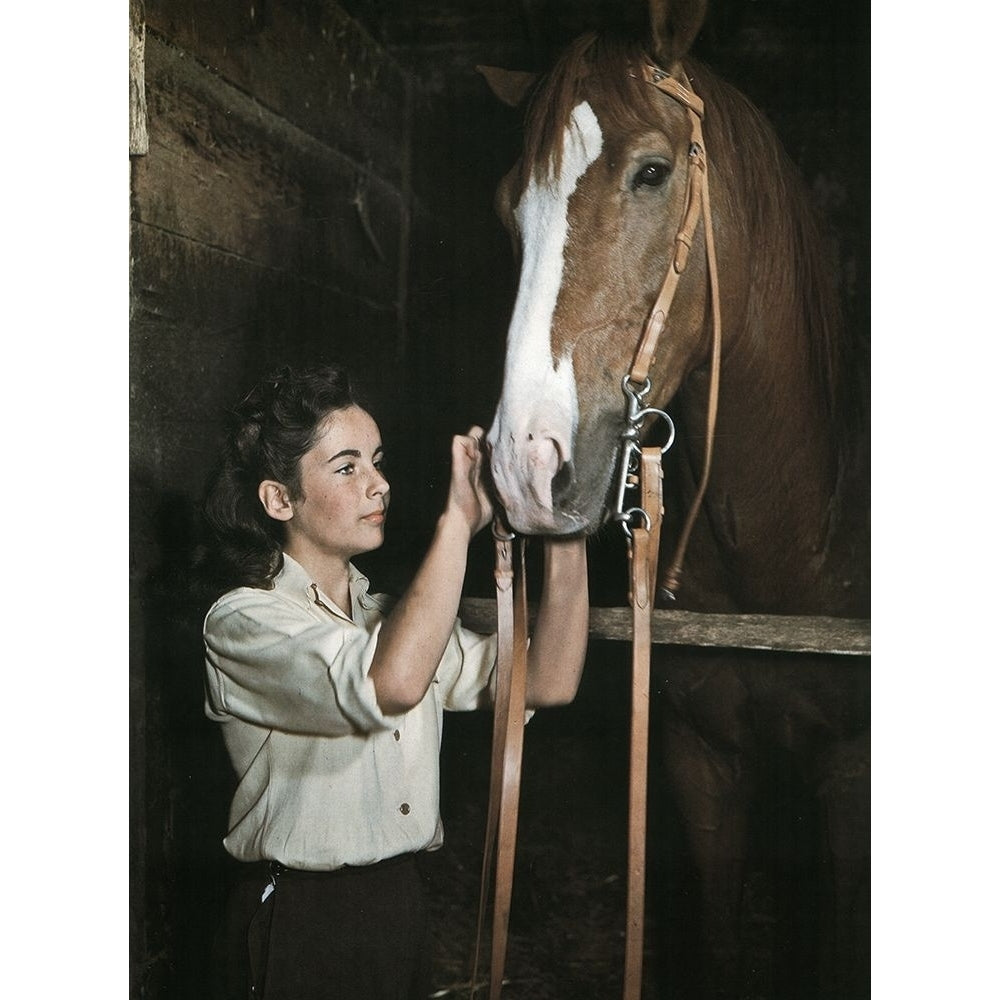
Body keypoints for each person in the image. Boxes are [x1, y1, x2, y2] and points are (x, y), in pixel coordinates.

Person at [200, 363, 589, 1000]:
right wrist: (456, 524)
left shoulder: (389, 618)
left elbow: (545, 681)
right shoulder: (244, 622)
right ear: (279, 500)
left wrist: (564, 522)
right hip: (302, 918)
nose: (379, 484)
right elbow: (390, 684)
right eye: (347, 467)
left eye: (377, 461)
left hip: (399, 906)